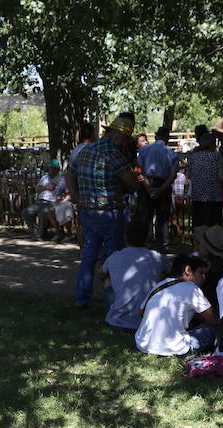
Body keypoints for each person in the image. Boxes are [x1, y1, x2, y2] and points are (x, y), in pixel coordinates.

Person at [67, 115, 142, 308]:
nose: (125, 143)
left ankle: (82, 299)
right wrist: (125, 187)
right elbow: (133, 184)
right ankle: (112, 302)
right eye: (125, 139)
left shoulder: (84, 151)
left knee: (88, 256)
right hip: (110, 214)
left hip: (88, 212)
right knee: (113, 259)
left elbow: (69, 176)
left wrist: (77, 199)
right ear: (118, 135)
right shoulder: (113, 154)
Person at [135, 254, 218, 356]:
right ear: (188, 270)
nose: (204, 278)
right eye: (201, 273)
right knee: (213, 329)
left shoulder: (159, 286)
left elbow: (140, 312)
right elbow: (213, 320)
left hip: (143, 345)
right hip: (174, 348)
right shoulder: (192, 289)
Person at [102, 220, 166, 331]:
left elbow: (101, 274)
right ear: (146, 238)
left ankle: (118, 306)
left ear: (125, 237)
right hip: (148, 321)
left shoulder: (114, 257)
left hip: (117, 321)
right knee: (163, 276)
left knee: (106, 277)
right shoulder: (157, 257)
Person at [137, 126, 178, 248]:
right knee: (163, 216)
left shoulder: (144, 150)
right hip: (163, 184)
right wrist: (161, 189)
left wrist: (147, 187)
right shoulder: (171, 153)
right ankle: (164, 242)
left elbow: (138, 170)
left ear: (156, 136)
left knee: (147, 215)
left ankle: (148, 241)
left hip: (147, 183)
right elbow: (173, 175)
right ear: (167, 138)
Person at [185, 132, 223, 229]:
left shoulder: (193, 157)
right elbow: (222, 177)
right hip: (214, 198)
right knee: (213, 228)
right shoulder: (216, 157)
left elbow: (189, 175)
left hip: (197, 198)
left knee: (199, 227)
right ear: (212, 145)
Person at [191, 224, 223, 311]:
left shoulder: (210, 274)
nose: (197, 246)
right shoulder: (219, 268)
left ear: (206, 250)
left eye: (199, 243)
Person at [23, 158, 64, 240]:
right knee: (26, 212)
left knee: (44, 212)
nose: (51, 170)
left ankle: (41, 234)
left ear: (58, 169)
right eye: (50, 168)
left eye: (53, 168)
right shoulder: (45, 177)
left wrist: (60, 197)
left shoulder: (62, 179)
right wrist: (45, 187)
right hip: (40, 201)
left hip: (53, 202)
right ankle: (35, 233)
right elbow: (36, 189)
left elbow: (66, 191)